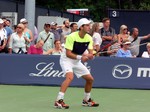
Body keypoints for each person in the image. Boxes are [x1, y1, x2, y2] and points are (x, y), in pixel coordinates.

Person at [54, 18, 99, 109]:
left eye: (89, 25)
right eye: (87, 25)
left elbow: (90, 52)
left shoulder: (89, 38)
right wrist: (81, 57)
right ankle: (58, 101)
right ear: (81, 27)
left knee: (90, 79)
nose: (89, 27)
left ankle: (86, 100)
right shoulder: (71, 37)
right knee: (70, 77)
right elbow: (68, 53)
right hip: (66, 60)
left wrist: (90, 56)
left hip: (77, 61)